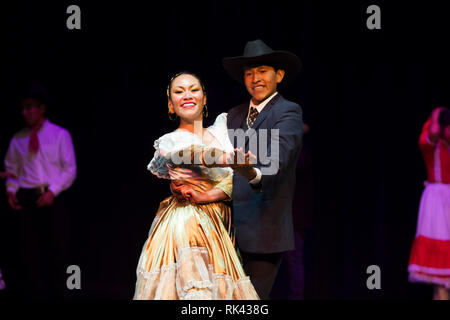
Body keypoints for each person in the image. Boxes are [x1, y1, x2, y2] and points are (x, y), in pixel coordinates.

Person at [133, 71, 259, 300]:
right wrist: (227, 160)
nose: (187, 95)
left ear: (205, 97)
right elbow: (191, 154)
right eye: (179, 92)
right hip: (190, 224)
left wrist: (214, 192)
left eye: (193, 89)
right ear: (171, 104)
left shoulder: (222, 128)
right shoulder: (170, 140)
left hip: (223, 225)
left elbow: (240, 179)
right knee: (195, 292)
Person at [221, 39, 304, 299]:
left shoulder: (287, 112)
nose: (255, 78)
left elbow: (277, 161)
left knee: (251, 301)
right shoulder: (233, 115)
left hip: (264, 231)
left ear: (279, 75)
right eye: (249, 73)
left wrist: (252, 173)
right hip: (227, 229)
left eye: (262, 71)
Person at [4, 87, 77, 299]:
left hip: (52, 197)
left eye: (29, 108)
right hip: (27, 198)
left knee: (58, 250)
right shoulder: (18, 139)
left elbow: (70, 169)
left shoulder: (59, 134)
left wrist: (52, 192)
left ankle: (63, 293)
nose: (24, 113)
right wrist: (11, 190)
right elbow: (12, 170)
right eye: (22, 109)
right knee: (29, 252)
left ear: (41, 109)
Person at [408, 106, 450, 300]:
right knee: (439, 277)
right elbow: (433, 134)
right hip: (436, 200)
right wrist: (436, 114)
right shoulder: (429, 141)